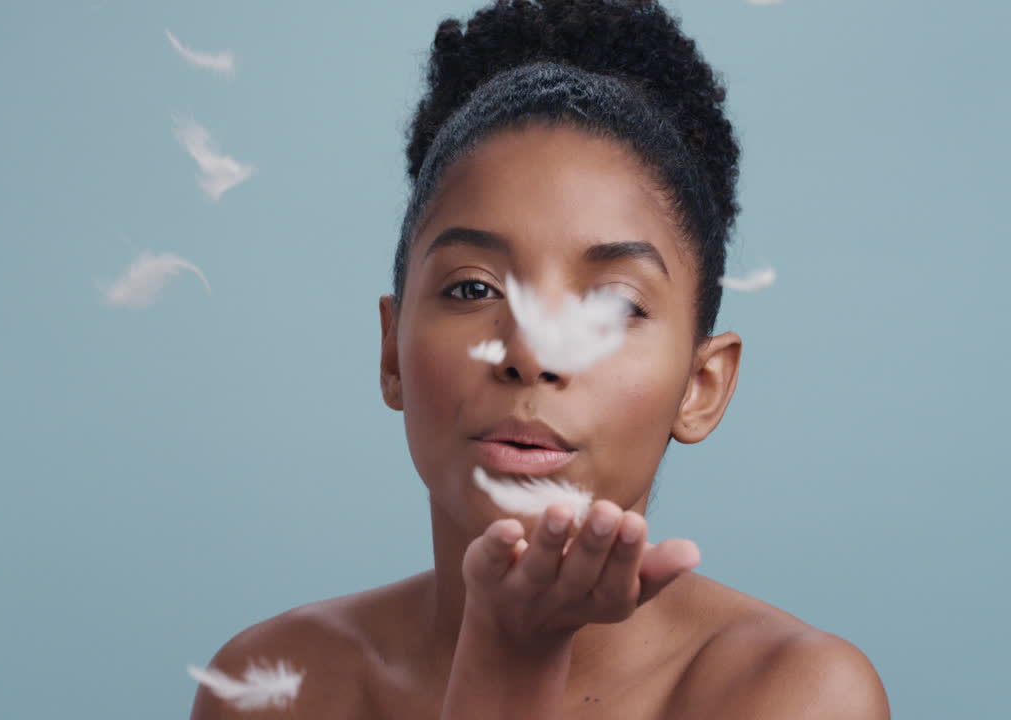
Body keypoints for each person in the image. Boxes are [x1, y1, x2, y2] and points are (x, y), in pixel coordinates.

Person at [190, 1, 890, 717]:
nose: (532, 352)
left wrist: (513, 661)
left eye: (613, 305)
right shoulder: (274, 688)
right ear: (391, 351)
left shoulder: (795, 695)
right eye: (472, 287)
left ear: (701, 385)